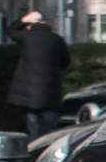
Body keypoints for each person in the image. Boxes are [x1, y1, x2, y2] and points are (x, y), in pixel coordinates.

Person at [6, 9, 67, 138]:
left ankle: (34, 151)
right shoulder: (57, 40)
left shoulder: (27, 37)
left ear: (30, 26)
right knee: (50, 127)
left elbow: (10, 30)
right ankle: (48, 150)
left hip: (29, 94)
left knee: (33, 125)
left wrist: (22, 20)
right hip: (51, 94)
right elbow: (65, 62)